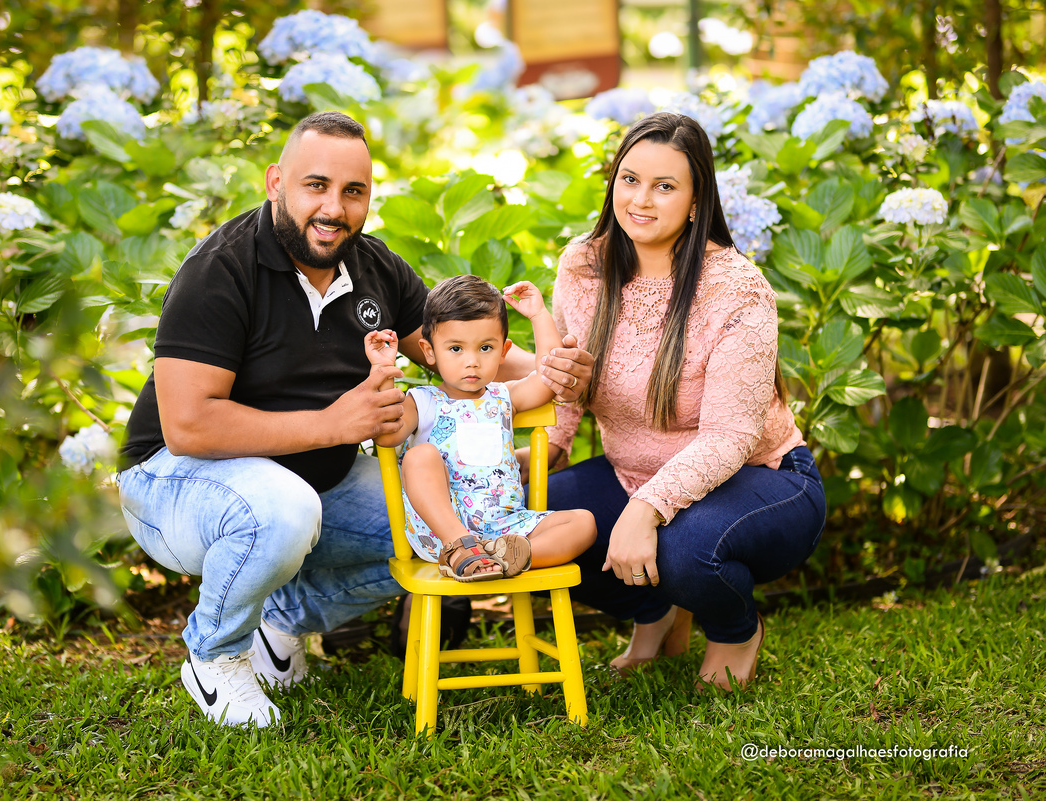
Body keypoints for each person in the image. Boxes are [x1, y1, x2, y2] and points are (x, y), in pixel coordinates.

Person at [115, 111, 594, 727]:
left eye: (353, 191)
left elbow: (459, 349)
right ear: (275, 183)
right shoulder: (221, 270)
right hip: (175, 480)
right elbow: (189, 426)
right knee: (284, 509)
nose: (333, 208)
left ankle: (278, 627)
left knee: (440, 525)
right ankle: (216, 655)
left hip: (315, 481)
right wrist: (333, 425)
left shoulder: (374, 267)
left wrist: (554, 371)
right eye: (316, 185)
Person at [535, 112, 826, 690]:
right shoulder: (584, 266)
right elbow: (573, 374)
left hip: (759, 476)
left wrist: (644, 509)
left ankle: (734, 629)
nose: (641, 200)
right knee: (536, 518)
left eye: (665, 186)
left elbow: (731, 437)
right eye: (630, 179)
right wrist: (555, 446)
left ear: (695, 201)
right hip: (632, 471)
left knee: (683, 549)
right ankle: (657, 613)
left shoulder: (736, 289)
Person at [368, 275, 596, 581]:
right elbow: (386, 435)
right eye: (456, 349)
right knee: (419, 456)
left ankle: (514, 557)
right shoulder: (422, 402)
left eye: (486, 348)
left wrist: (540, 315)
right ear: (429, 350)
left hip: (506, 528)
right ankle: (464, 549)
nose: (472, 362)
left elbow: (548, 377)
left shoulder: (505, 397)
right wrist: (384, 371)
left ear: (504, 351)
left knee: (584, 523)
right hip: (445, 535)